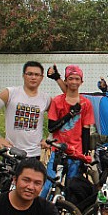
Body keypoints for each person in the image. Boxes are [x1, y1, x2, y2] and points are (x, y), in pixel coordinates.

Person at [41, 65, 94, 198]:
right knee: (49, 185)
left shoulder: (86, 104)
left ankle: (68, 211)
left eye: (77, 79)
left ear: (81, 82)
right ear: (65, 81)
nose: (74, 82)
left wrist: (85, 154)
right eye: (70, 79)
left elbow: (86, 130)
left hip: (76, 152)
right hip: (57, 150)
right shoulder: (57, 101)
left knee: (72, 188)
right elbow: (51, 127)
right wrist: (70, 114)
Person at [0, 61, 52, 158]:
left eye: (37, 74)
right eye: (30, 74)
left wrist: (49, 138)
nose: (33, 77)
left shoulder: (46, 99)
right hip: (12, 152)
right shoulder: (10, 93)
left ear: (41, 78)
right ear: (23, 75)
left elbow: (56, 118)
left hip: (35, 154)